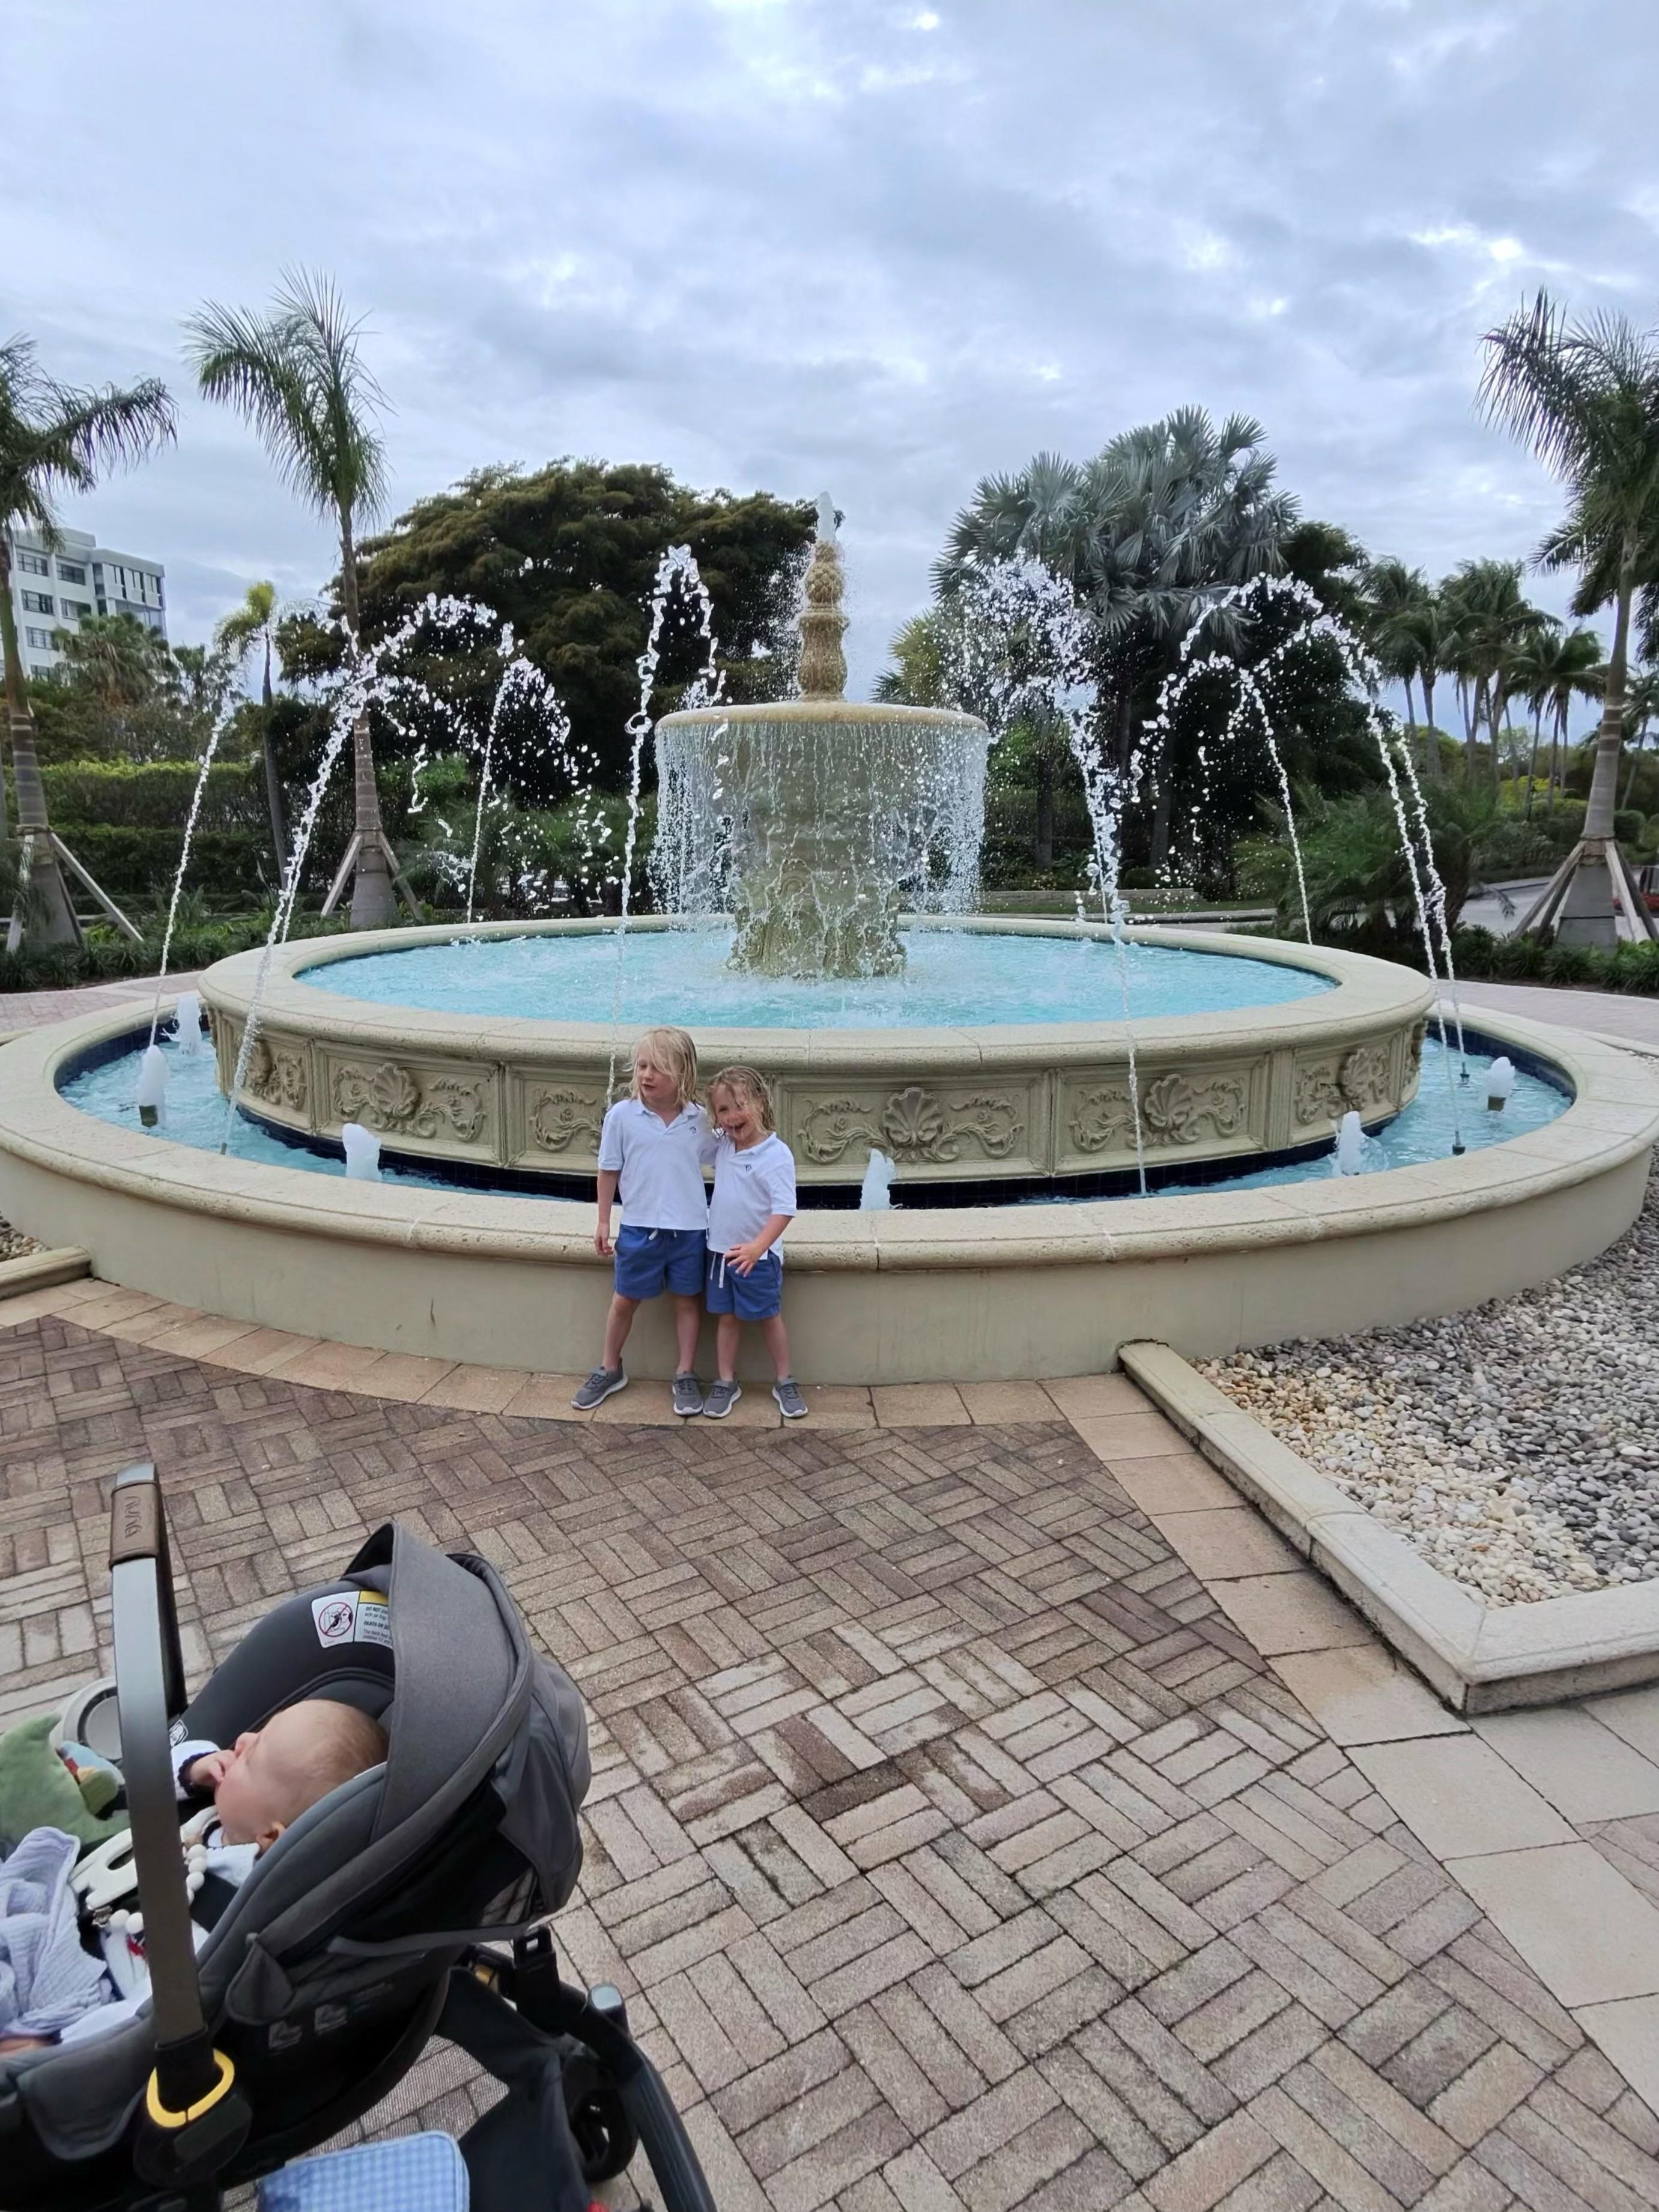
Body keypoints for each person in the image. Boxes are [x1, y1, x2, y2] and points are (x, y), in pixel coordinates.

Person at [0, 1698, 387, 2054]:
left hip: (89, 1992)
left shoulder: (228, 1908)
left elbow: (152, 2011)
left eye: (251, 1760)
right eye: (260, 1732)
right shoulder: (218, 1815)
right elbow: (148, 1782)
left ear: (270, 1835)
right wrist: (193, 1770)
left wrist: (53, 2046)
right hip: (71, 1903)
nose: (242, 1741)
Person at [573, 1028, 712, 1416]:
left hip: (689, 1230)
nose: (647, 1075)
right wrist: (604, 1220)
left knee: (687, 1302)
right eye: (643, 1065)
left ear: (683, 1073)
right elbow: (608, 1170)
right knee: (623, 1301)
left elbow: (726, 1158)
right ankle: (610, 1366)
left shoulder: (698, 1120)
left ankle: (685, 1371)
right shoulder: (622, 1116)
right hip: (638, 1228)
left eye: (659, 1068)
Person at [700, 1065, 805, 1420]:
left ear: (760, 1102)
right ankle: (726, 1380)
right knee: (727, 1318)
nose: (732, 1118)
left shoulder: (776, 1155)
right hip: (721, 1253)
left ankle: (784, 1379)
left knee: (769, 1317)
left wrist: (759, 1247)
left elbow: (784, 1209)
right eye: (723, 1110)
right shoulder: (723, 1148)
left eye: (740, 1105)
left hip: (758, 1258)